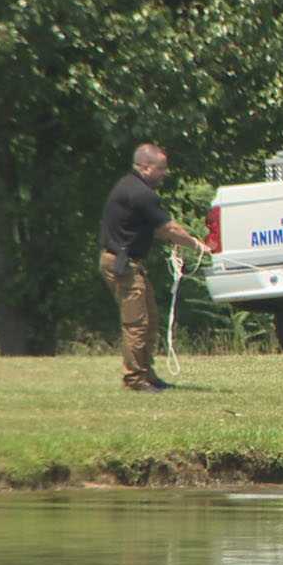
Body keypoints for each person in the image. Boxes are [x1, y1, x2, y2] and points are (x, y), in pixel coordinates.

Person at [98, 143, 206, 393]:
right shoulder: (141, 193)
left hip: (128, 263)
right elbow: (168, 229)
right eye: (161, 168)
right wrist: (195, 245)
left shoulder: (130, 187)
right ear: (145, 167)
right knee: (136, 323)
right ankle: (134, 379)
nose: (165, 173)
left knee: (150, 320)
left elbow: (154, 230)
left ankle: (146, 372)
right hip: (121, 264)